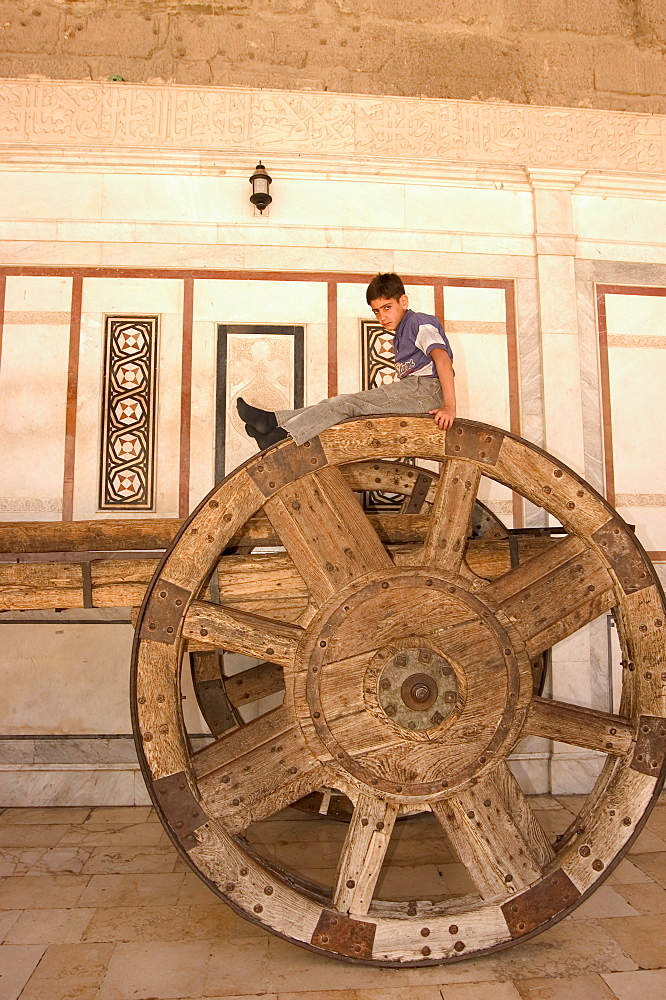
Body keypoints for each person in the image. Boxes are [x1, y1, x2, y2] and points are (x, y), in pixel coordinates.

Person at [237, 272, 456, 450]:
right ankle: (273, 423)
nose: (382, 317)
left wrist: (449, 406)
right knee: (336, 403)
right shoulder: (399, 334)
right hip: (414, 390)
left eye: (387, 307)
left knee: (345, 405)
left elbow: (442, 359)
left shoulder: (418, 321)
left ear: (403, 301)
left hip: (427, 392)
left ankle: (278, 436)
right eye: (377, 312)